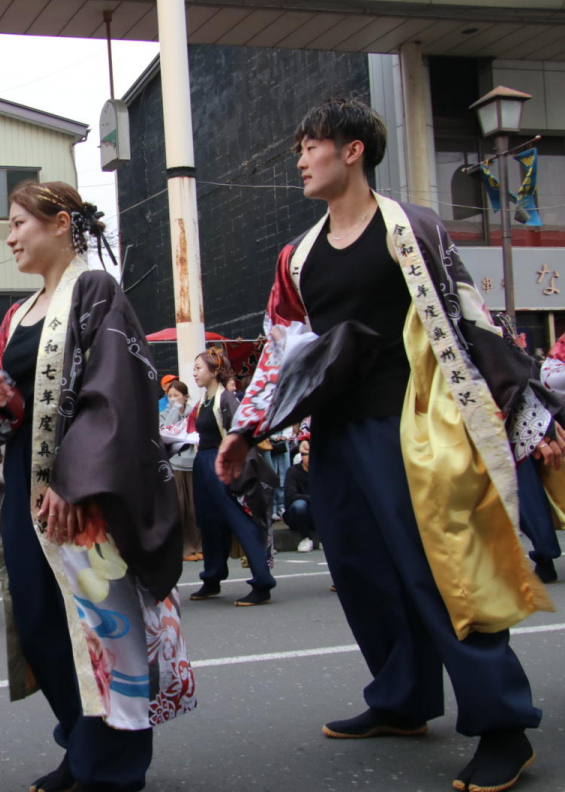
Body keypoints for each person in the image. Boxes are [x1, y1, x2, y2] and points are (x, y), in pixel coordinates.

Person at [216, 98, 563, 792]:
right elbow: (282, 350)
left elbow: (472, 318)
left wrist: (531, 413)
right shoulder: (298, 256)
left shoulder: (414, 229)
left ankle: (504, 727)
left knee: (442, 572)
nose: (301, 159)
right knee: (363, 574)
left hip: (416, 427)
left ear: (353, 151)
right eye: (299, 149)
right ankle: (402, 700)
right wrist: (245, 431)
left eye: (311, 146)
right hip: (336, 436)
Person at [0, 181, 195, 792]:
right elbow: (5, 407)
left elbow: (113, 394)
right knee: (41, 625)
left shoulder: (95, 291)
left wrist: (74, 479)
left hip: (83, 498)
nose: (8, 237)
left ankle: (111, 766)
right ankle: (82, 747)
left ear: (61, 223)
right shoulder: (17, 314)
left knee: (100, 626)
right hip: (29, 498)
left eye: (17, 224)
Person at [187, 349, 276, 606]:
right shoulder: (203, 401)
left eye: (198, 368)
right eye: (194, 369)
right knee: (208, 522)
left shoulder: (227, 399)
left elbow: (242, 433)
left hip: (220, 462)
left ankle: (262, 582)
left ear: (214, 371)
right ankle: (212, 579)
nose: (194, 373)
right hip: (203, 463)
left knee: (237, 519)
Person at [160, 379, 202, 561]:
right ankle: (185, 548)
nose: (173, 399)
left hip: (193, 462)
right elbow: (166, 431)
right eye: (169, 396)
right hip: (175, 464)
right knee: (181, 508)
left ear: (185, 396)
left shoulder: (195, 411)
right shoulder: (164, 413)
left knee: (196, 508)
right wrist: (174, 408)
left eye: (176, 396)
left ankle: (200, 546)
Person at [284, 438, 316, 552]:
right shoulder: (293, 471)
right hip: (297, 516)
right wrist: (313, 499)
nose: (309, 458)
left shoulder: (320, 471)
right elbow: (291, 496)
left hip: (317, 514)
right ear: (301, 456)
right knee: (299, 505)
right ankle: (305, 538)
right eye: (306, 454)